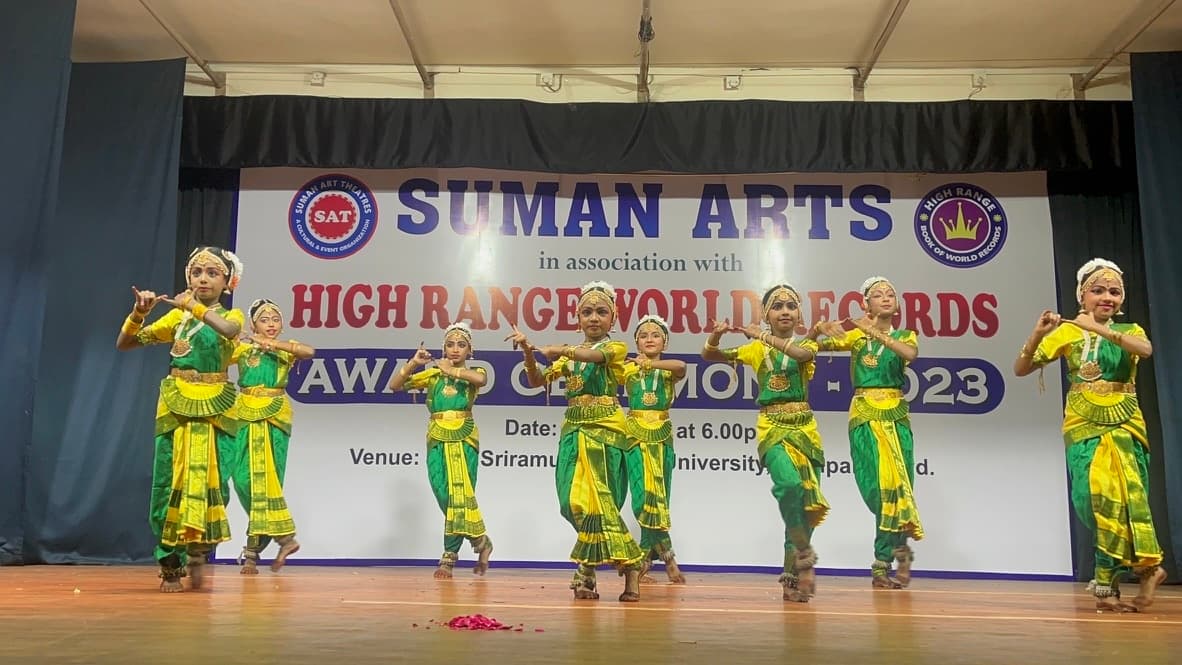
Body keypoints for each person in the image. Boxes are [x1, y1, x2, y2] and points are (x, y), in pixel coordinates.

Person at [1013, 258, 1166, 612]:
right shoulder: (1067, 332)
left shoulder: (1130, 330)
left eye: (1114, 291)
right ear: (1082, 296)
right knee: (1091, 501)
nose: (1107, 297)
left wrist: (1100, 330)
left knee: (1128, 500)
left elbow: (1145, 350)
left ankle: (1113, 586)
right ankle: (1148, 569)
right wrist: (1038, 333)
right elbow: (1021, 368)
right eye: (1098, 290)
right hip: (1083, 424)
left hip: (1125, 421)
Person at [115, 246, 245, 592]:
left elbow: (228, 331)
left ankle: (198, 545)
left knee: (213, 482)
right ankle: (170, 560)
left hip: (218, 407)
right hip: (176, 404)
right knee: (169, 480)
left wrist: (194, 307)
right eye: (196, 272)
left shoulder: (233, 316)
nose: (203, 279)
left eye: (212, 273)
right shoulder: (177, 318)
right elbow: (126, 343)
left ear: (228, 282)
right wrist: (139, 313)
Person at [505, 281, 644, 602]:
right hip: (573, 430)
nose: (594, 318)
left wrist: (561, 350)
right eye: (587, 312)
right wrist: (528, 352)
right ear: (578, 318)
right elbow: (536, 380)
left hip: (606, 431)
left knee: (600, 503)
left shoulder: (616, 347)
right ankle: (630, 562)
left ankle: (592, 573)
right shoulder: (569, 358)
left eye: (601, 312)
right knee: (571, 503)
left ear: (613, 318)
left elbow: (593, 356)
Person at [702, 283, 828, 602]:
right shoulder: (755, 350)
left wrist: (761, 335)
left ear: (799, 315)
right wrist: (715, 336)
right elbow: (711, 355)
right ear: (766, 315)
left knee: (805, 503)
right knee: (789, 486)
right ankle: (803, 553)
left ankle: (791, 574)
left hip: (805, 431)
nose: (785, 311)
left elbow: (799, 355)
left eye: (791, 306)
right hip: (771, 428)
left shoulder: (806, 345)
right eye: (777, 306)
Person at [811, 276, 923, 589]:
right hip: (864, 415)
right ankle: (898, 549)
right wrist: (818, 329)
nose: (886, 298)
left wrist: (872, 331)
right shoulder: (855, 338)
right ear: (866, 305)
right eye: (878, 295)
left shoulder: (905, 335)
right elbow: (811, 349)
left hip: (896, 416)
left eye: (890, 294)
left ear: (896, 305)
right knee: (877, 489)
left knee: (899, 489)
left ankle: (882, 564)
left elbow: (909, 354)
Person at [389, 322, 494, 578]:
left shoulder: (474, 372)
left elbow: (481, 380)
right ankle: (480, 539)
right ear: (443, 348)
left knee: (460, 495)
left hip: (464, 437)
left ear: (470, 350)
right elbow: (395, 385)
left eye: (461, 345)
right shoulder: (433, 376)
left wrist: (451, 370)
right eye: (450, 345)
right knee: (443, 493)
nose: (455, 349)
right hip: (436, 436)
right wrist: (414, 363)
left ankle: (449, 556)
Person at [230, 298, 314, 574]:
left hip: (275, 415)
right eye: (264, 320)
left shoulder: (286, 348)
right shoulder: (243, 348)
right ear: (253, 324)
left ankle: (252, 552)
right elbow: (219, 359)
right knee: (243, 480)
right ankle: (283, 537)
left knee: (267, 482)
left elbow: (309, 352)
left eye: (275, 320)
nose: (270, 324)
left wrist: (272, 344)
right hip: (244, 412)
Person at [622, 314, 687, 584]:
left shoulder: (668, 370)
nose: (649, 339)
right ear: (636, 342)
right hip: (634, 435)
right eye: (643, 336)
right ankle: (668, 557)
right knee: (642, 499)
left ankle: (644, 559)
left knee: (658, 498)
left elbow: (681, 366)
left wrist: (650, 363)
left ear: (665, 342)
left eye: (656, 335)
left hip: (661, 436)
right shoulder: (627, 369)